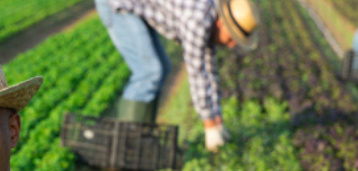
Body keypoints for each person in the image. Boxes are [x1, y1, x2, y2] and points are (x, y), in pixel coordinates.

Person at [94, 0, 260, 152]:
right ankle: (124, 148)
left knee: (163, 68)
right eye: (232, 38)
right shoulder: (199, 20)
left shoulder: (211, 17)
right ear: (222, 23)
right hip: (117, 5)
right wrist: (209, 126)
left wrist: (218, 120)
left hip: (135, 6)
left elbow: (210, 70)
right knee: (149, 72)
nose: (231, 45)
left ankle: (140, 142)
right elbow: (196, 72)